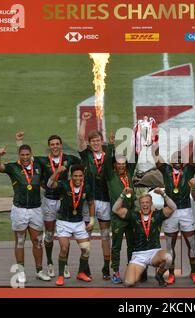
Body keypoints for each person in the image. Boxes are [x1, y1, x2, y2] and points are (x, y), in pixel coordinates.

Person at [15, 132, 81, 279]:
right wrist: (19, 142)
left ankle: (64, 266)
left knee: (64, 234)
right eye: (52, 144)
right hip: (49, 201)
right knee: (49, 234)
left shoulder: (70, 159)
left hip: (65, 200)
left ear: (61, 145)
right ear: (49, 146)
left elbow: (83, 167)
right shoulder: (42, 160)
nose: (55, 146)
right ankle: (50, 263)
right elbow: (25, 159)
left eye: (57, 144)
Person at [0, 144, 51, 283]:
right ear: (19, 155)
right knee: (20, 241)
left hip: (36, 209)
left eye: (27, 155)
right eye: (22, 155)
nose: (25, 157)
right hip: (19, 209)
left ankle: (39, 271)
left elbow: (45, 182)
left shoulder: (38, 166)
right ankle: (20, 272)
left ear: (31, 154)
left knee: (38, 242)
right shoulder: (13, 167)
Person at [153, 138, 195, 284]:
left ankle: (193, 272)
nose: (177, 160)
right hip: (171, 211)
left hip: (185, 210)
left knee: (192, 244)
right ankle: (171, 273)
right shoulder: (166, 169)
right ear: (170, 160)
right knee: (170, 246)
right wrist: (154, 143)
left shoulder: (188, 169)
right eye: (175, 158)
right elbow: (156, 157)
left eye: (180, 158)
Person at [112, 188, 177, 287]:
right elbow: (115, 209)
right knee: (129, 283)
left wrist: (163, 194)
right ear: (139, 204)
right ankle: (140, 269)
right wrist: (122, 194)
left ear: (151, 203)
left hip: (154, 252)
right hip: (138, 255)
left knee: (168, 257)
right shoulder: (134, 215)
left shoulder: (158, 214)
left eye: (147, 202)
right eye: (142, 203)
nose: (145, 205)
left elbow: (173, 207)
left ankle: (159, 275)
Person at [78, 112, 114, 280]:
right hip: (89, 201)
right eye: (92, 141)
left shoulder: (109, 154)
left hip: (106, 200)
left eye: (98, 141)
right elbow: (80, 138)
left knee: (106, 235)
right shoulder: (85, 155)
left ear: (102, 141)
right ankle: (85, 268)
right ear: (90, 143)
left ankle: (106, 267)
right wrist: (84, 121)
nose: (95, 143)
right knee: (87, 235)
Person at [47, 164, 95, 286]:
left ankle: (80, 273)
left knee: (86, 250)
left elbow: (91, 203)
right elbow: (50, 184)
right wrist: (57, 171)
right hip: (64, 222)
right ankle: (61, 276)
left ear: (83, 176)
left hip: (79, 223)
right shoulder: (64, 185)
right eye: (75, 176)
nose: (78, 178)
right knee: (64, 248)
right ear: (71, 176)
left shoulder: (87, 187)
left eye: (80, 176)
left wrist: (92, 220)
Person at [103, 132, 139, 284]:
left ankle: (130, 269)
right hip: (118, 216)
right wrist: (111, 146)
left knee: (132, 244)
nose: (122, 165)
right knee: (116, 245)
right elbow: (105, 164)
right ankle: (116, 271)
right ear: (115, 165)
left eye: (123, 163)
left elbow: (135, 158)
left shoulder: (129, 173)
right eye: (119, 163)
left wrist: (135, 139)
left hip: (130, 215)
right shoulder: (111, 176)